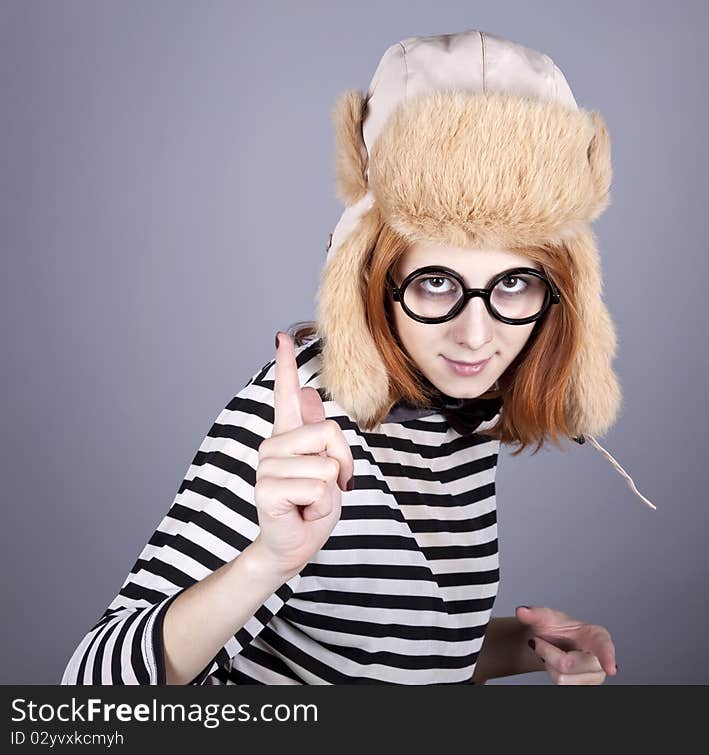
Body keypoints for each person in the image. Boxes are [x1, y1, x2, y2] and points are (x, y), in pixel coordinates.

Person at [61, 29, 655, 686]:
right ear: (373, 275)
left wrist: (524, 646)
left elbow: (381, 651)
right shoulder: (298, 430)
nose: (477, 336)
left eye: (513, 282)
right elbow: (89, 695)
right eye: (436, 282)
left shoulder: (452, 408)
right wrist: (269, 559)